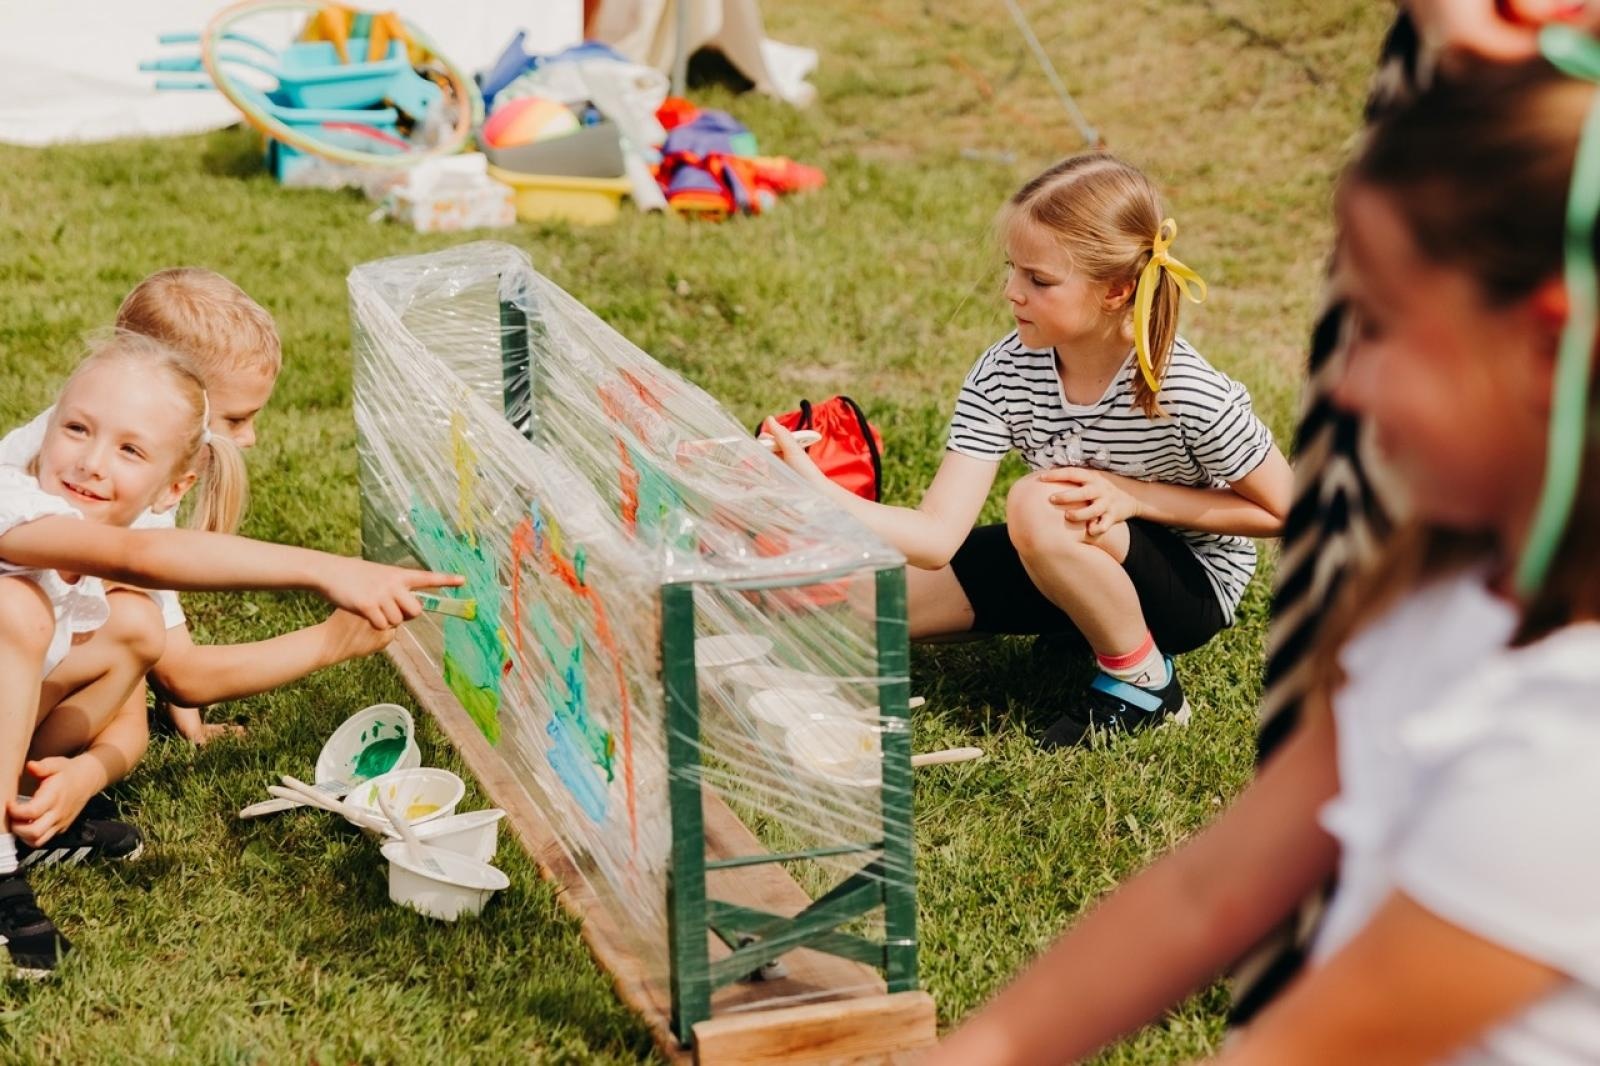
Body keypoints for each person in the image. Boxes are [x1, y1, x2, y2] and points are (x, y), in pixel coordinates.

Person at [925, 59, 1600, 1065]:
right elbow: (1210, 889)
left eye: (1382, 330)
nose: (1351, 386)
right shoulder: (1418, 600)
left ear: (1547, 344)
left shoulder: (1567, 740)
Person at [768, 153, 1291, 745]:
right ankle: (1081, 614)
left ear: (1117, 291)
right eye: (1013, 269)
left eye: (1039, 280)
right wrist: (817, 491)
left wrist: (1136, 497)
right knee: (872, 604)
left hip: (1189, 585)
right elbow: (936, 537)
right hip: (1071, 547)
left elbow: (1288, 511)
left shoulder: (1182, 387)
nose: (1011, 292)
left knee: (1039, 502)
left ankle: (1147, 685)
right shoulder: (1003, 371)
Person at [0, 332, 458, 977]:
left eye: (129, 449)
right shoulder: (16, 504)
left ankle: (21, 807)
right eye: (75, 429)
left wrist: (84, 777)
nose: (93, 462)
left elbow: (130, 722)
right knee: (16, 609)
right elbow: (150, 560)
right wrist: (330, 573)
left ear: (171, 488)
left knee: (134, 622)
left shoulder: (110, 540)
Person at [0, 268, 390, 750]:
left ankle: (38, 784)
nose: (250, 438)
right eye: (236, 419)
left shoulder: (98, 464)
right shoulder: (58, 486)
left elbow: (147, 643)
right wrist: (333, 640)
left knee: (133, 619)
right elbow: (181, 665)